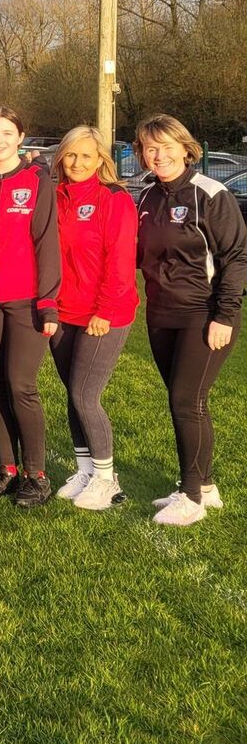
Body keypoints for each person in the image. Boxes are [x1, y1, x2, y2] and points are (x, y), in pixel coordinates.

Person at [135, 115, 247, 526]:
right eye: (150, 148)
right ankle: (207, 485)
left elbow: (236, 257)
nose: (158, 155)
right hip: (160, 313)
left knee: (184, 401)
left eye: (165, 146)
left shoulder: (211, 194)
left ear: (186, 148)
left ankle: (191, 495)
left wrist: (225, 316)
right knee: (192, 403)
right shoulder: (147, 196)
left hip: (203, 314)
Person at [0, 106, 60, 508]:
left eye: (6, 133)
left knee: (21, 384)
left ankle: (37, 474)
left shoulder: (37, 181)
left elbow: (47, 244)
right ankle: (8, 467)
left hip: (26, 302)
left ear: (21, 137)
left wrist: (49, 301)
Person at [49, 126, 139, 510]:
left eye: (87, 156)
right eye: (71, 155)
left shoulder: (114, 199)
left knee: (86, 395)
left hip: (104, 313)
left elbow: (119, 262)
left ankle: (106, 479)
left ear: (101, 159)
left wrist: (104, 311)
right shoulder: (54, 197)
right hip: (62, 310)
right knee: (73, 394)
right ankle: (85, 470)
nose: (78, 163)